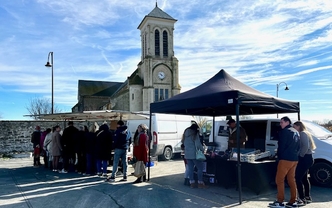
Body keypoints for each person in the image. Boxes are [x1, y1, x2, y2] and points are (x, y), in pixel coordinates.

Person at [269, 116, 300, 208]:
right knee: (291, 180)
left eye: (282, 122)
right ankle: (293, 201)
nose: (280, 124)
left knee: (279, 180)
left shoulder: (284, 132)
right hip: (294, 159)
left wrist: (279, 156)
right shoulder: (296, 132)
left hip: (285, 159)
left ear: (287, 122)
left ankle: (280, 201)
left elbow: (281, 146)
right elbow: (299, 146)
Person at [293, 121, 316, 205]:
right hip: (308, 158)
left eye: (294, 126)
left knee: (297, 178)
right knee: (304, 178)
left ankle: (302, 198)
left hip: (305, 158)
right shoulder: (306, 133)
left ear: (299, 126)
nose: (294, 128)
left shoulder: (302, 133)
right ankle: (307, 197)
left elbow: (305, 146)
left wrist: (301, 155)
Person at [182, 123, 207, 189]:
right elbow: (198, 144)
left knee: (190, 169)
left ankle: (192, 183)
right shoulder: (195, 134)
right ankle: (200, 183)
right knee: (200, 168)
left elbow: (183, 142)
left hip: (187, 154)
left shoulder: (185, 134)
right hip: (194, 154)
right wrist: (203, 149)